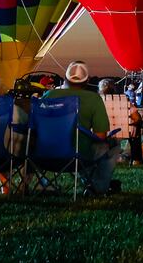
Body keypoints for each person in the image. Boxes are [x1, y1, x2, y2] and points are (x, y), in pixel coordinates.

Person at [42, 62, 119, 195]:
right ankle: (97, 187)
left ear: (65, 78)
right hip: (79, 155)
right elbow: (100, 136)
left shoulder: (49, 95)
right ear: (87, 81)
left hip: (44, 155)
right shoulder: (93, 99)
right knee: (112, 145)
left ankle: (43, 185)